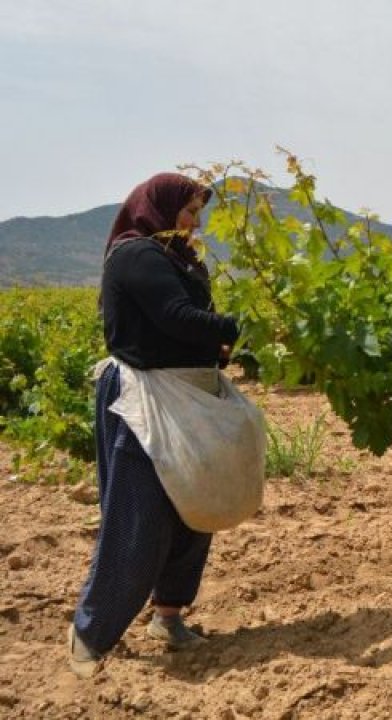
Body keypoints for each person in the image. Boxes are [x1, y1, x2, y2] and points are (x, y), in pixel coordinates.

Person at [68, 173, 240, 678]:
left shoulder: (181, 261)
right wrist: (238, 325)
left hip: (184, 393)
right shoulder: (137, 255)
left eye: (197, 215)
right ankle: (89, 636)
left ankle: (168, 618)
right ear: (160, 209)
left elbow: (191, 331)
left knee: (193, 510)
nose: (194, 223)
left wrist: (224, 351)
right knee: (138, 518)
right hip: (144, 399)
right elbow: (176, 316)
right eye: (188, 212)